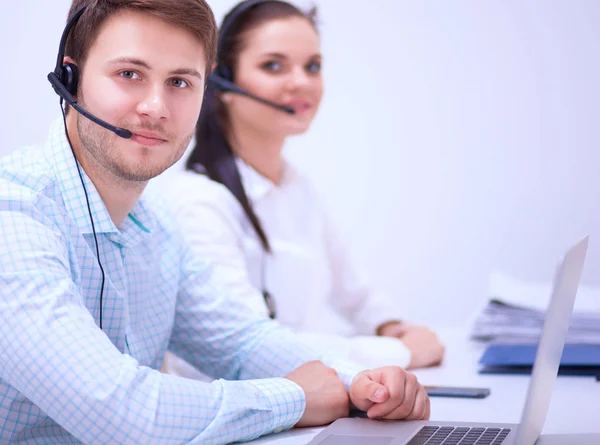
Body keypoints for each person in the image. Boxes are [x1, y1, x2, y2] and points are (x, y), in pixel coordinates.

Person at [0, 0, 431, 443]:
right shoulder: (13, 216)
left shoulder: (156, 229)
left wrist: (362, 381)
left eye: (180, 81)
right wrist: (296, 396)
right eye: (129, 73)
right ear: (70, 78)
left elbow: (240, 342)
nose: (156, 107)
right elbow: (124, 413)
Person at [155, 0, 445, 379]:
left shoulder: (297, 188)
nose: (302, 82)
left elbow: (356, 294)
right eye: (273, 65)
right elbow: (254, 349)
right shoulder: (200, 202)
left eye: (313, 66)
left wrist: (389, 326)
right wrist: (398, 352)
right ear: (221, 81)